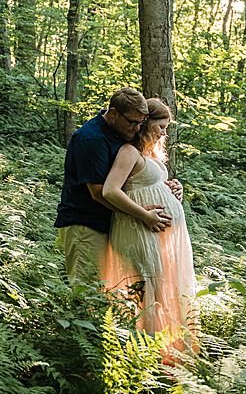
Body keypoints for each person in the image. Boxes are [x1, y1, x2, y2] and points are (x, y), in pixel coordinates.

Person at [101, 98, 198, 356]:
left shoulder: (150, 154)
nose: (164, 133)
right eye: (161, 126)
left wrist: (175, 187)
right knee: (146, 291)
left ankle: (162, 352)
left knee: (158, 287)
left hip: (155, 231)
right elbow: (111, 190)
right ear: (146, 123)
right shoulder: (128, 152)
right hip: (139, 229)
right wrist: (145, 215)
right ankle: (145, 356)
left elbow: (149, 184)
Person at [55, 88, 172, 285]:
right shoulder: (91, 138)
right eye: (132, 122)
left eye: (141, 123)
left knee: (107, 291)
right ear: (114, 112)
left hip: (110, 224)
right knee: (86, 289)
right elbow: (99, 193)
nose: (136, 128)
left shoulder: (119, 132)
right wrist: (143, 214)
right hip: (86, 225)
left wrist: (167, 187)